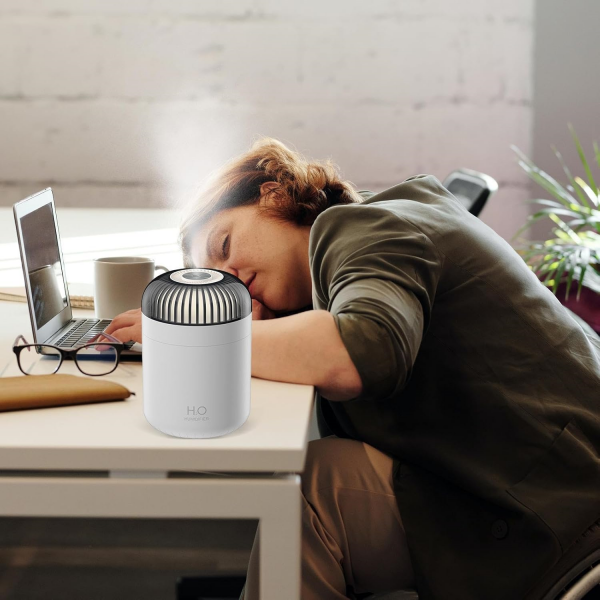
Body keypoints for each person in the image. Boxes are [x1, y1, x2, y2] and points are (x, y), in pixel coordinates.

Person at [104, 138, 600, 600]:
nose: (229, 279)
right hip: (536, 480)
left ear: (273, 193)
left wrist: (186, 338)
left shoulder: (363, 230)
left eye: (225, 246)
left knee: (315, 489)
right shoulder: (360, 240)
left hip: (560, 508)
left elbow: (363, 350)